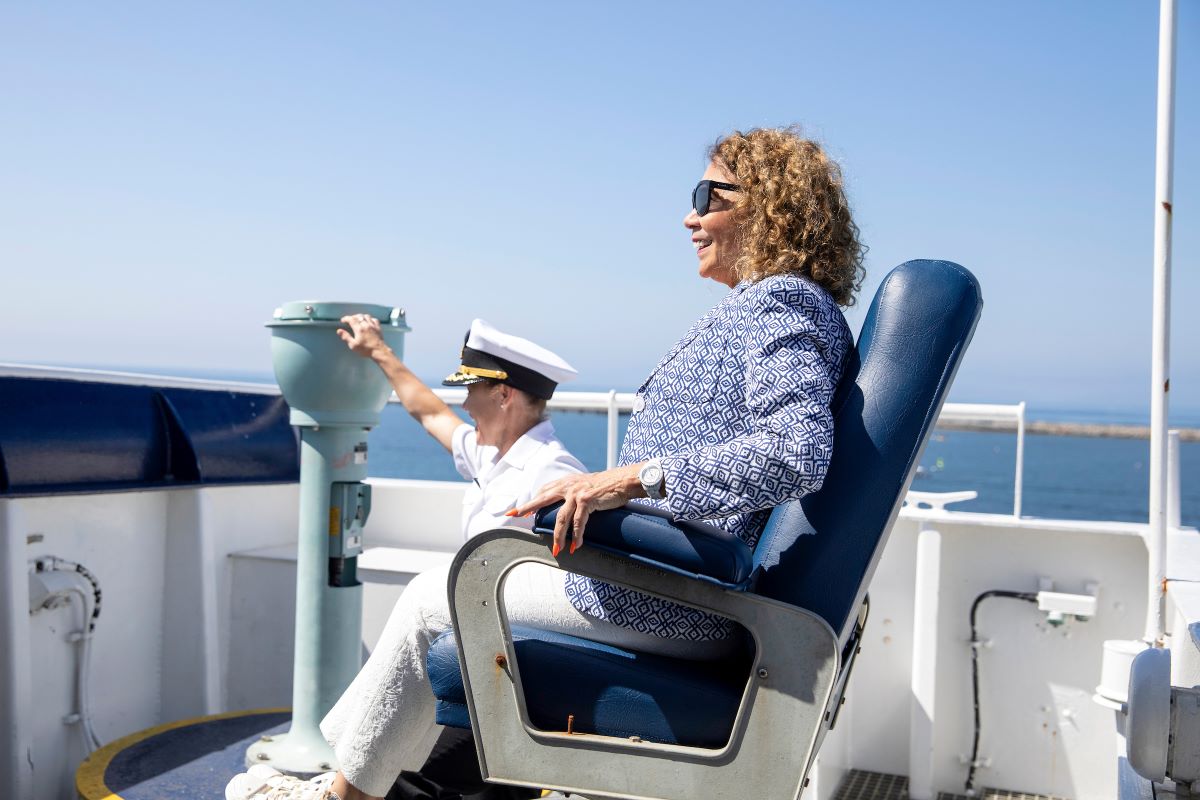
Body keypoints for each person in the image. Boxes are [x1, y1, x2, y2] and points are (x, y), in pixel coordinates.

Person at [228, 125, 865, 800]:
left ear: (770, 207)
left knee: (432, 598)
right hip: (664, 589)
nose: (690, 214)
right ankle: (343, 784)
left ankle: (335, 794)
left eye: (710, 194)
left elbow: (796, 449)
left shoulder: (781, 302)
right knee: (442, 593)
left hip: (674, 604)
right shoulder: (764, 307)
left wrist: (626, 479)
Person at [227, 319, 585, 800]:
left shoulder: (551, 473)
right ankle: (336, 781)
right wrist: (378, 352)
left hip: (514, 667)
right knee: (410, 751)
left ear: (504, 396)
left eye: (472, 390)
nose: (463, 403)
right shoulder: (496, 456)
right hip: (484, 652)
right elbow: (429, 412)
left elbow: (566, 589)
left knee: (412, 762)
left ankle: (332, 791)